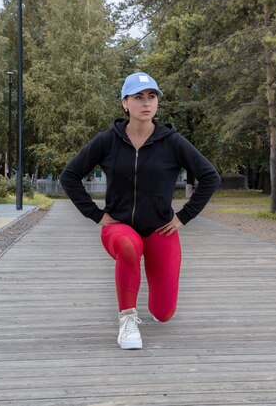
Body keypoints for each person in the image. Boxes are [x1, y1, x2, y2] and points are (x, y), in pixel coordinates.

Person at [60, 72, 220, 349]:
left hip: (160, 228)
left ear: (157, 102)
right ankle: (128, 319)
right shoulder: (108, 140)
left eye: (151, 97)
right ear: (125, 103)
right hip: (118, 226)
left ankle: (155, 309)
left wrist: (183, 216)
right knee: (128, 245)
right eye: (138, 97)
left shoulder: (172, 141)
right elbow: (69, 176)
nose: (146, 103)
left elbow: (211, 177)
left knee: (164, 312)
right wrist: (96, 214)